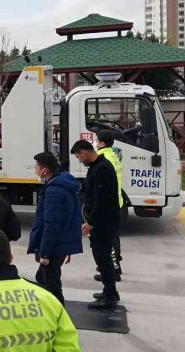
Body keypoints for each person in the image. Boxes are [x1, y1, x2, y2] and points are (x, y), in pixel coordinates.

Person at [26, 153, 82, 306]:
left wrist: (44, 253)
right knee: (43, 278)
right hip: (60, 244)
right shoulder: (63, 184)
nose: (35, 171)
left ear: (44, 171)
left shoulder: (54, 192)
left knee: (52, 285)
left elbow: (51, 225)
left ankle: (57, 314)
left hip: (54, 247)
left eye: (36, 168)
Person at [71, 140, 121, 309]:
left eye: (79, 157)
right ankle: (111, 291)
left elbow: (101, 200)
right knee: (102, 258)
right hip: (104, 221)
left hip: (104, 223)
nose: (80, 160)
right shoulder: (98, 167)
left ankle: (109, 297)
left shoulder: (101, 169)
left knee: (103, 259)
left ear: (84, 153)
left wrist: (90, 222)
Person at [95, 130, 127, 279]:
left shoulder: (103, 158)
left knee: (108, 240)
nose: (95, 143)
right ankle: (114, 267)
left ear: (102, 143)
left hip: (110, 205)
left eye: (96, 141)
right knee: (113, 237)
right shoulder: (114, 154)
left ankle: (113, 270)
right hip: (117, 201)